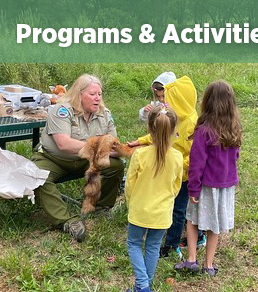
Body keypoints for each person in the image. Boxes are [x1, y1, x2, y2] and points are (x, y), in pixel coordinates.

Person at [31, 74, 124, 242]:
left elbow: (114, 145)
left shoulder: (104, 114)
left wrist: (124, 149)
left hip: (84, 160)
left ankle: (102, 207)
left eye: (100, 94)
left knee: (116, 164)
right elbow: (64, 144)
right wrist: (99, 147)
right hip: (53, 159)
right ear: (79, 94)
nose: (98, 98)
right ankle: (67, 221)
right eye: (92, 94)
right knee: (37, 176)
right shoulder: (62, 110)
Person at [129, 74, 205, 259]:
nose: (165, 102)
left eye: (168, 99)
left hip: (184, 174)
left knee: (178, 210)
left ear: (179, 101)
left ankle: (171, 246)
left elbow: (196, 157)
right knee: (178, 207)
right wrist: (140, 141)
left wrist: (179, 165)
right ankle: (197, 235)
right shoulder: (176, 117)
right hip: (174, 168)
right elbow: (160, 134)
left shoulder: (192, 124)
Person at [174, 80, 242, 276]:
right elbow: (235, 157)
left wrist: (193, 189)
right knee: (215, 225)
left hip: (205, 186)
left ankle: (191, 260)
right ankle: (209, 266)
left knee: (192, 220)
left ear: (207, 102)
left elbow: (196, 163)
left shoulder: (203, 131)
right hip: (225, 186)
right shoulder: (234, 129)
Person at [125, 106, 183, 292]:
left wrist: (130, 204)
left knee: (134, 243)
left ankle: (142, 285)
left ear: (149, 129)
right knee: (152, 246)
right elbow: (176, 187)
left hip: (139, 210)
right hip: (162, 214)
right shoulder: (177, 157)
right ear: (173, 131)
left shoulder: (140, 155)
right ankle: (144, 285)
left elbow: (129, 186)